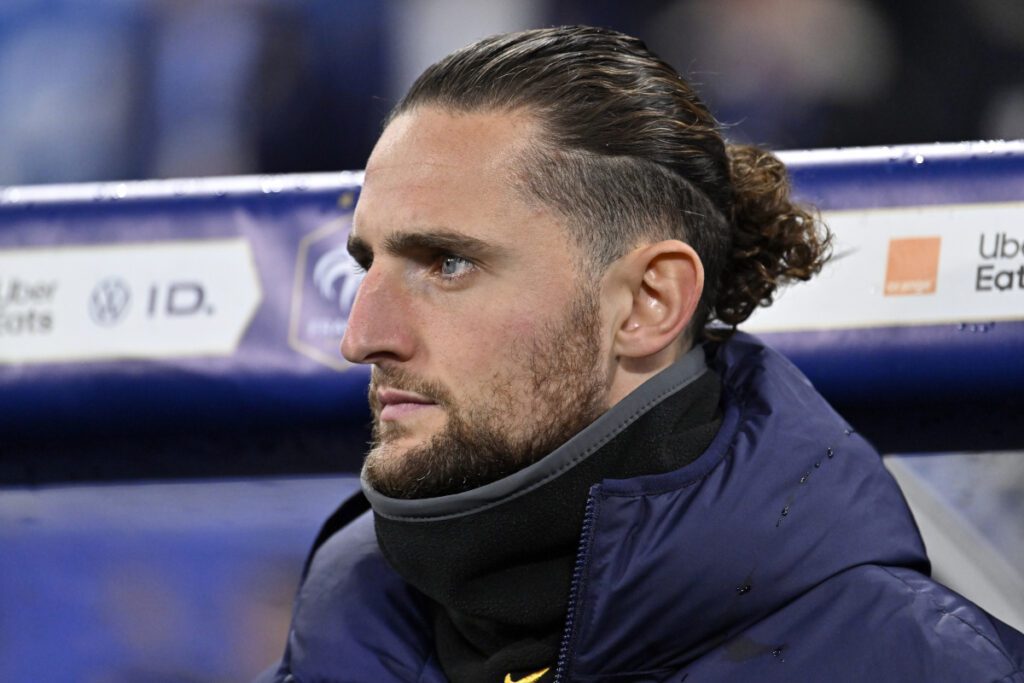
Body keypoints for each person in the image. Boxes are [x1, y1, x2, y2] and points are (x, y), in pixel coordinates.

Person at [258, 26, 1024, 683]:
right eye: (369, 266)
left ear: (650, 303)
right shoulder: (337, 639)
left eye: (448, 263)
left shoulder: (905, 662)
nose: (361, 336)